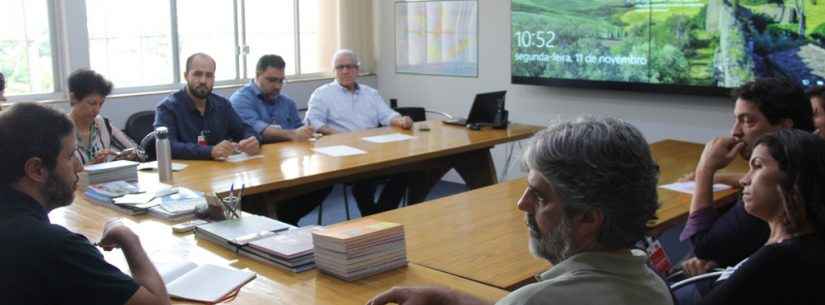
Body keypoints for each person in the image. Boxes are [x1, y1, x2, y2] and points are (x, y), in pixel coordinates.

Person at [368, 117, 673, 305]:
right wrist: (449, 297)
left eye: (539, 196)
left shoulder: (538, 299)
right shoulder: (653, 284)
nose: (522, 203)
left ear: (588, 218)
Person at [0, 103, 170, 305]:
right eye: (70, 155)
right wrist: (127, 238)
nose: (80, 166)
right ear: (37, 170)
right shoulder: (57, 247)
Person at [679, 78, 815, 276]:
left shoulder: (773, 194)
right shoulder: (811, 163)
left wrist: (705, 170)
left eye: (748, 121)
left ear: (785, 128)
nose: (735, 132)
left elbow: (704, 246)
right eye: (736, 120)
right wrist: (722, 178)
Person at [692, 129, 825, 305]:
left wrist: (706, 285)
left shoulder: (776, 259)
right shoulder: (809, 238)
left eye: (757, 166)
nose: (744, 180)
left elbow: (704, 246)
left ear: (793, 179)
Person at [305, 49, 413, 216]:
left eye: (349, 66)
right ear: (334, 70)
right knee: (365, 176)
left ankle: (380, 213)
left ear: (358, 69)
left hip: (373, 150)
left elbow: (386, 115)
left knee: (407, 168)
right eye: (340, 67)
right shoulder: (322, 94)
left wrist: (401, 120)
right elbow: (313, 121)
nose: (345, 71)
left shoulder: (371, 93)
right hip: (342, 153)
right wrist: (336, 134)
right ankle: (374, 216)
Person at [229, 54, 331, 225]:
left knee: (325, 181)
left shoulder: (287, 103)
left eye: (281, 81)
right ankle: (280, 222)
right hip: (255, 169)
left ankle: (287, 221)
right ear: (257, 74)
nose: (277, 86)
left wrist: (307, 132)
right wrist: (292, 134)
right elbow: (257, 128)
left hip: (286, 165)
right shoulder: (240, 99)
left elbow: (300, 131)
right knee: (263, 198)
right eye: (271, 80)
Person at [154, 53, 260, 160]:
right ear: (186, 76)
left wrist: (252, 140)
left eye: (209, 75)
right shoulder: (167, 108)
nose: (203, 81)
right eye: (197, 74)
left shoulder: (222, 105)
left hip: (219, 171)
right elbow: (168, 146)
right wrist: (210, 151)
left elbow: (244, 129)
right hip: (186, 173)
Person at [67, 69, 141, 165]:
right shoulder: (60, 130)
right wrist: (91, 166)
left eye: (101, 104)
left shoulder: (102, 123)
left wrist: (120, 157)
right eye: (92, 103)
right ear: (73, 98)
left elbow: (139, 152)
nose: (97, 110)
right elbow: (57, 173)